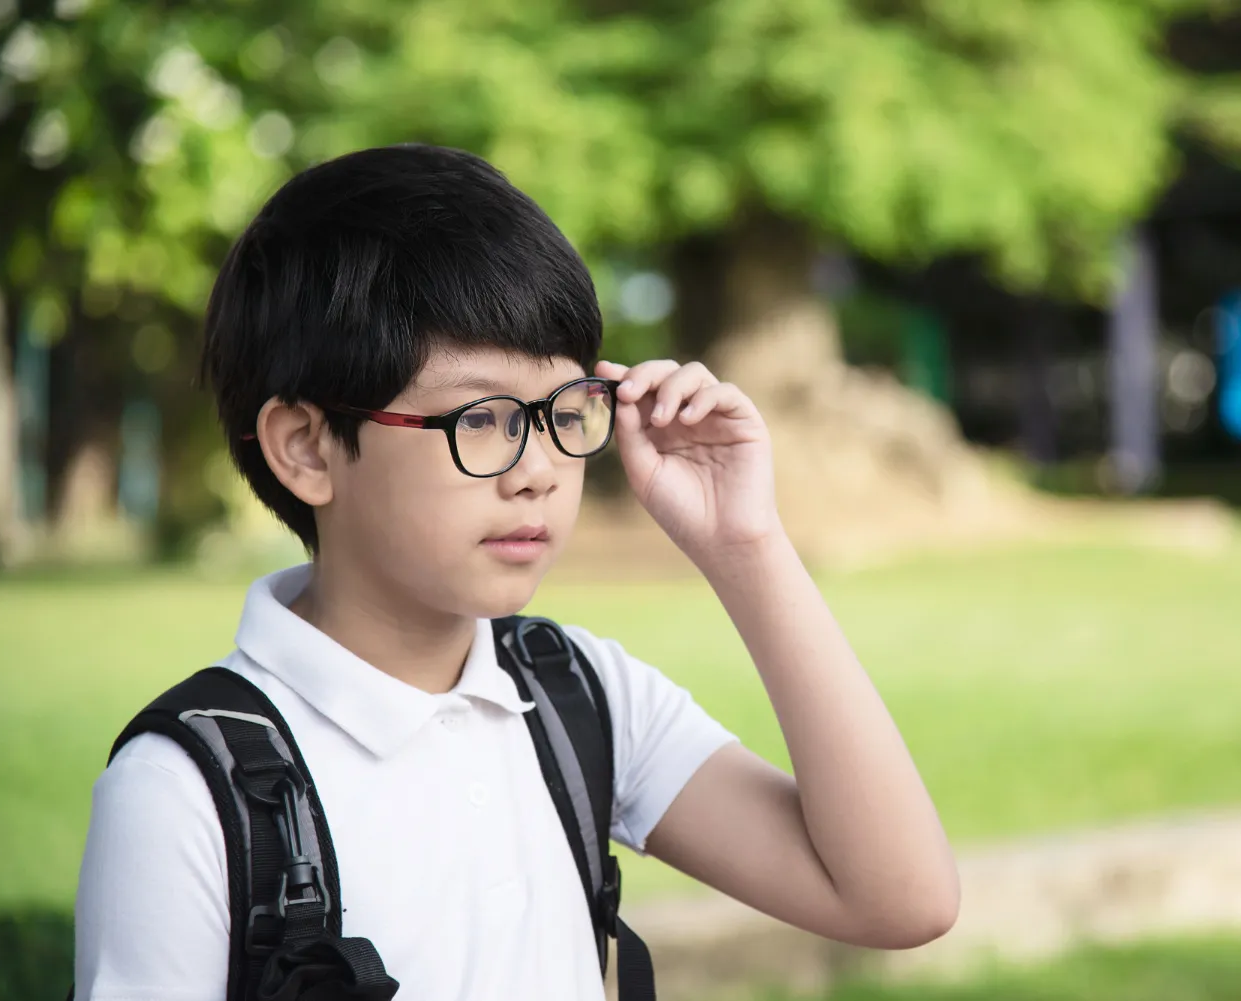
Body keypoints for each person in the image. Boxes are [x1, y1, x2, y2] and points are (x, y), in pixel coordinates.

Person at [73, 143, 959, 1001]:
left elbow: (900, 897)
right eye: (483, 418)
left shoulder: (575, 695)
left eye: (564, 410)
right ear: (306, 447)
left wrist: (748, 545)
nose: (538, 469)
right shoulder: (190, 787)